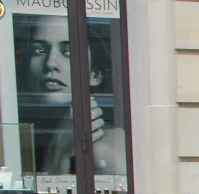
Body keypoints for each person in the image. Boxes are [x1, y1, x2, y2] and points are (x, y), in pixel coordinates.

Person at [19, 15, 125, 176]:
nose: (51, 63)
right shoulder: (18, 141)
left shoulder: (105, 147)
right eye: (39, 51)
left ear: (95, 75)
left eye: (68, 52)